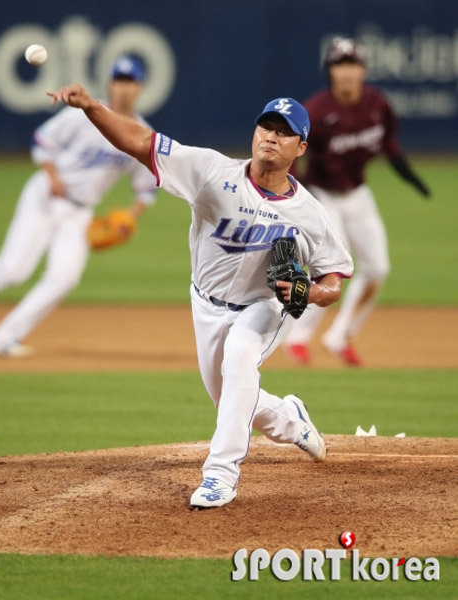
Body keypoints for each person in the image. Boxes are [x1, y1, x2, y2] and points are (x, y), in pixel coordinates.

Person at [46, 83, 354, 509]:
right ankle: (291, 421)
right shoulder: (212, 170)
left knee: (241, 360)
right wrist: (91, 108)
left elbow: (336, 277)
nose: (270, 136)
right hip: (205, 303)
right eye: (265, 127)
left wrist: (315, 291)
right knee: (227, 395)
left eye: (283, 133)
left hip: (264, 306)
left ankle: (219, 476)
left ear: (300, 147)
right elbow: (140, 142)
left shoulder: (309, 213)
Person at [0, 55, 157, 356]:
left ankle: (4, 338)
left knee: (65, 277)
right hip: (45, 196)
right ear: (109, 84)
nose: (123, 89)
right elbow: (43, 140)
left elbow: (146, 187)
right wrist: (53, 175)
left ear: (140, 88)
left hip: (80, 212)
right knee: (15, 268)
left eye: (130, 82)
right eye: (119, 81)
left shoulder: (140, 132)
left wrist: (128, 218)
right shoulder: (85, 113)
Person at [283, 37, 431, 367]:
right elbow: (293, 155)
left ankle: (340, 336)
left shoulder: (377, 105)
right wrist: (296, 193)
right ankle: (297, 337)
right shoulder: (317, 111)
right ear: (330, 72)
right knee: (332, 266)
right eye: (339, 65)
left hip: (358, 194)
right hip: (323, 195)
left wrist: (410, 176)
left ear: (362, 69)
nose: (346, 72)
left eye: (352, 64)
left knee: (378, 268)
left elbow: (388, 144)